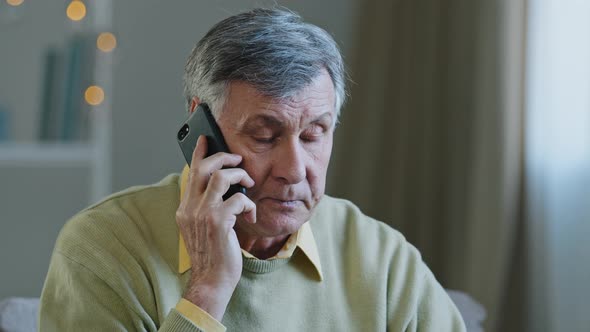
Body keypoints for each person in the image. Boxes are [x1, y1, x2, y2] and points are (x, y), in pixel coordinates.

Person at [39, 8, 466, 332]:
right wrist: (206, 290)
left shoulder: (382, 258)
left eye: (315, 134)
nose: (295, 170)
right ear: (202, 126)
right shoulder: (102, 249)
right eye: (264, 136)